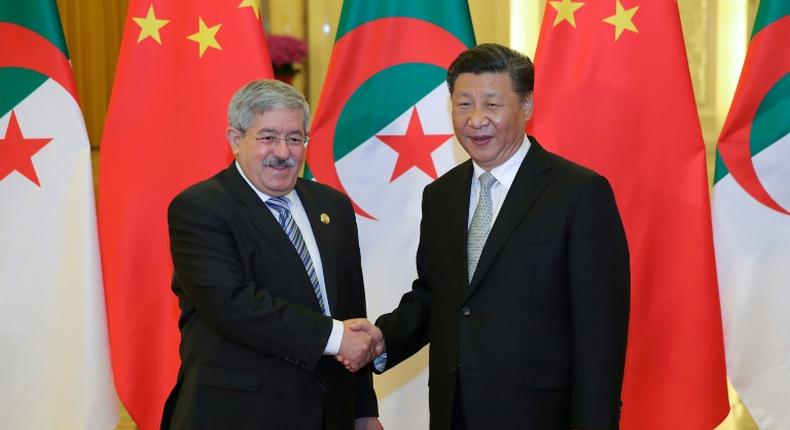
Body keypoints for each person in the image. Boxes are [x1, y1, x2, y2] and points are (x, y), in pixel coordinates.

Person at [342, 43, 630, 429]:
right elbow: (436, 296)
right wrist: (382, 340)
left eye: (492, 105)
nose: (476, 120)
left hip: (541, 416)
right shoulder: (441, 195)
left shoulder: (579, 193)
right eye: (464, 105)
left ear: (526, 106)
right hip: (454, 412)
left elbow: (600, 331)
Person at [160, 79, 382, 430]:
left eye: (295, 138)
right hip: (241, 415)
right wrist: (337, 337)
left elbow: (350, 308)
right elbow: (234, 306)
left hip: (330, 413)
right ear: (235, 140)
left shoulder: (333, 206)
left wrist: (363, 409)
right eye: (268, 137)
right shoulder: (200, 208)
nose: (283, 151)